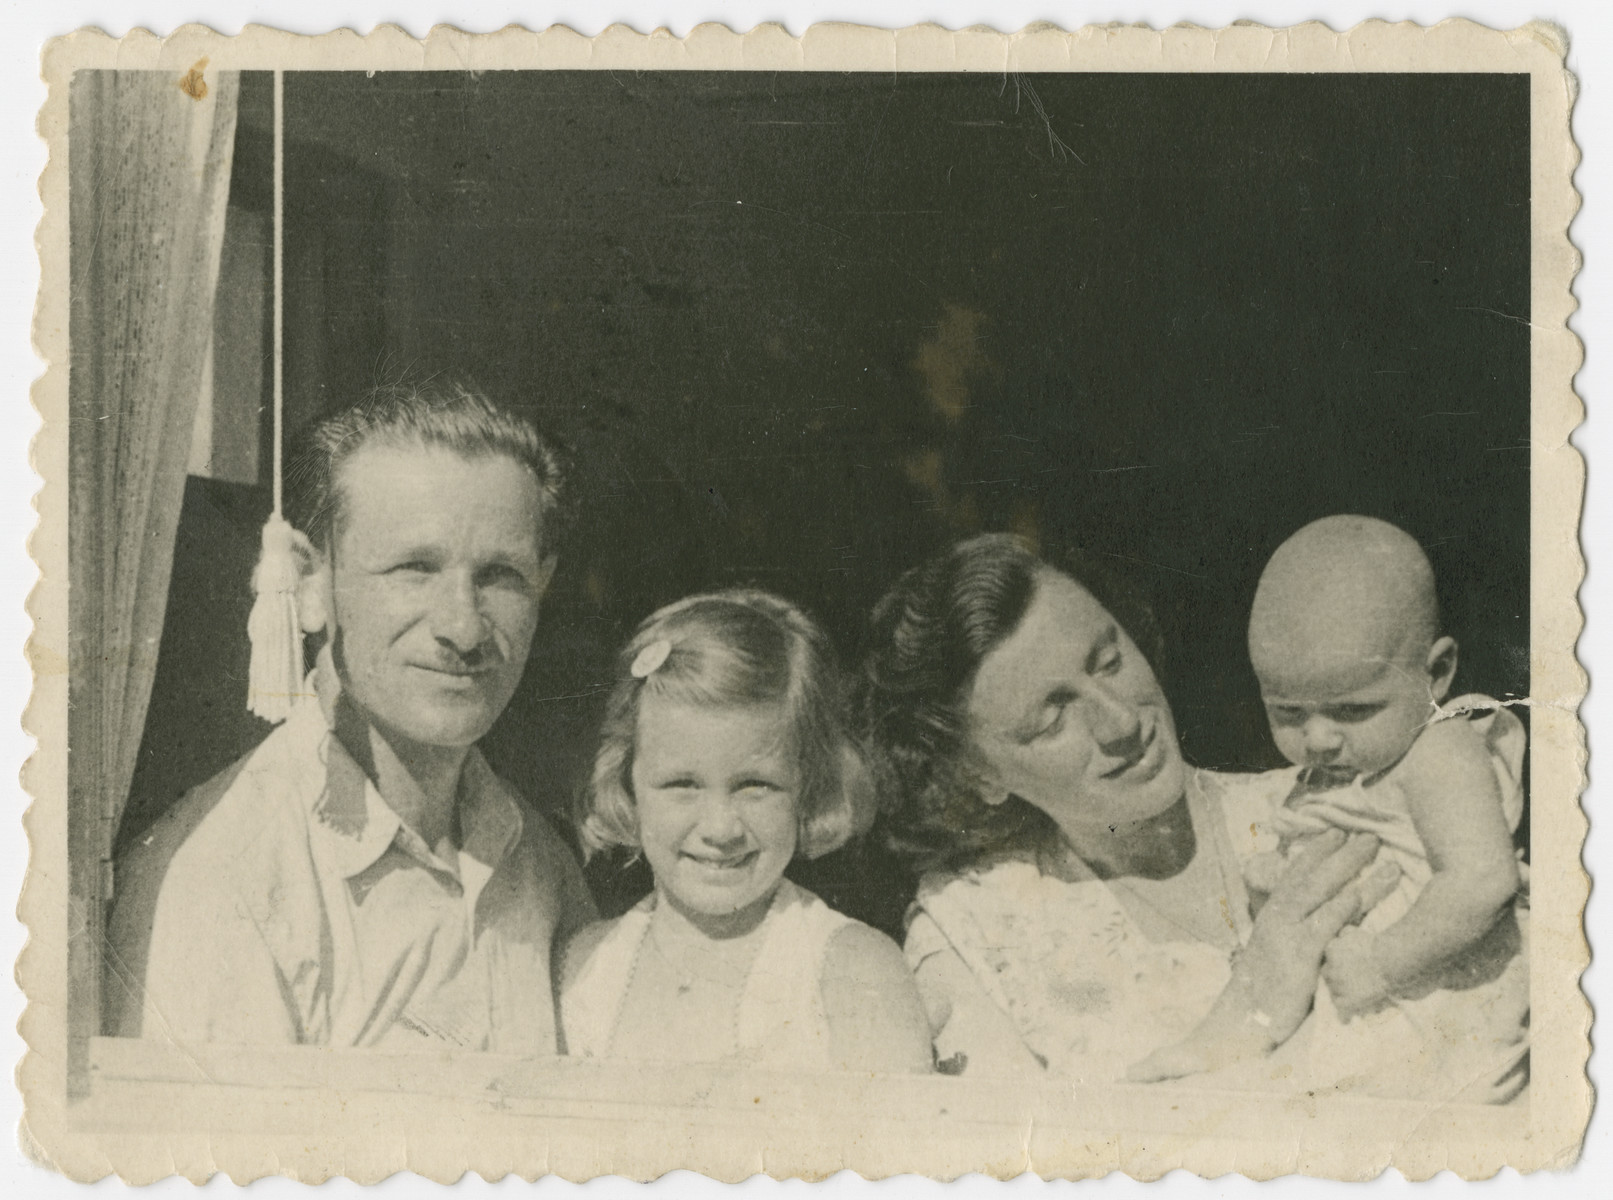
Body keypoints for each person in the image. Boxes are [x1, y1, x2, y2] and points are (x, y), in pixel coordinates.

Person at [105, 380, 597, 1051]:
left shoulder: (541, 868)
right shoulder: (225, 879)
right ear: (309, 584)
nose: (463, 627)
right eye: (413, 569)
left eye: (499, 577)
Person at [861, 532, 1403, 1087]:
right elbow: (1013, 1166)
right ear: (977, 775)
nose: (1121, 722)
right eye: (1051, 722)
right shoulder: (972, 932)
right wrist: (1247, 1015)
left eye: (1109, 661)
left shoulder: (1335, 804)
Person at [559, 590, 933, 1073]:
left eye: (755, 785)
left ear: (808, 784)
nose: (720, 828)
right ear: (627, 782)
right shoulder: (585, 968)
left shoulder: (853, 973)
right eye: (682, 785)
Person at [1226, 514, 1528, 1098]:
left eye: (1353, 709)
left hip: (1446, 1008)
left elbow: (1485, 879)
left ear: (1436, 673)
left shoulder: (1439, 751)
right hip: (1367, 1019)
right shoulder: (1341, 768)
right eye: (1288, 712)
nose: (1317, 738)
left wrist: (1382, 964)